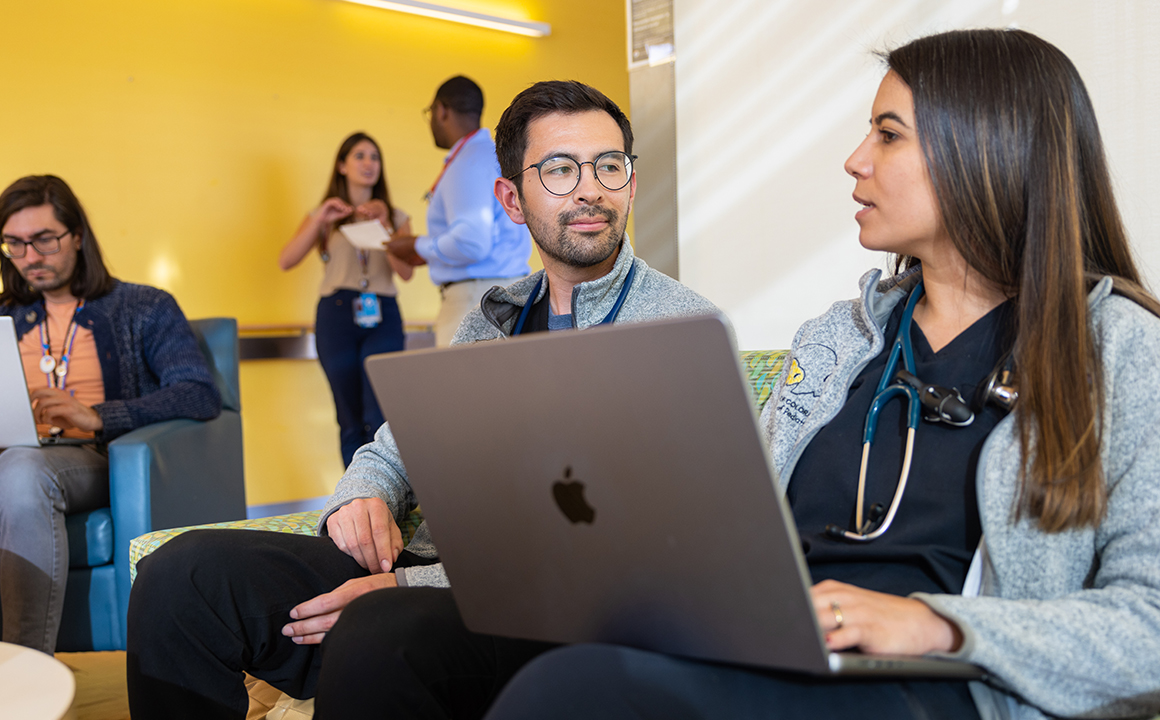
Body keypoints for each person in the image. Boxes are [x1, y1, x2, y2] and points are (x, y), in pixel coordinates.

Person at [479, 29, 1160, 720]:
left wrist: (939, 622)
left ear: (986, 149)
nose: (855, 159)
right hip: (772, 646)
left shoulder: (1130, 355)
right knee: (408, 645)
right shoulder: (843, 338)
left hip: (936, 687)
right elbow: (731, 526)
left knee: (572, 692)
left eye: (888, 134)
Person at [126, 80, 723, 719]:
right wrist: (364, 492)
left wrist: (406, 585)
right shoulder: (492, 318)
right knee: (181, 577)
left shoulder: (679, 330)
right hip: (421, 576)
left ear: (630, 182)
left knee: (379, 630)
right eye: (558, 169)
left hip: (549, 619)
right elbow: (401, 439)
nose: (590, 188)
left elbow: (641, 554)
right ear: (511, 200)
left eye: (609, 165)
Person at [0, 175, 220, 655]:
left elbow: (197, 392)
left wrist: (99, 415)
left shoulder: (144, 306)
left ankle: (27, 669)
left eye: (43, 240)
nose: (30, 256)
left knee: (21, 469)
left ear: (77, 235)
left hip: (87, 458)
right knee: (13, 463)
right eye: (14, 244)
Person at [280, 132, 414, 466]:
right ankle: (353, 501)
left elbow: (406, 272)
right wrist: (320, 219)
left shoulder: (397, 218)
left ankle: (385, 495)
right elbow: (287, 260)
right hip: (336, 315)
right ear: (341, 165)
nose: (369, 164)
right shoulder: (323, 217)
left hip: (382, 315)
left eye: (374, 157)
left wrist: (383, 225)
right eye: (359, 156)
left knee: (379, 412)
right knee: (349, 416)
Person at [384, 75, 533, 347]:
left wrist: (417, 246)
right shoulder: (494, 155)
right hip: (507, 293)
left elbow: (471, 242)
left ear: (441, 110)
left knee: (461, 389)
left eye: (429, 113)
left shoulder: (468, 163)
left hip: (474, 299)